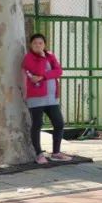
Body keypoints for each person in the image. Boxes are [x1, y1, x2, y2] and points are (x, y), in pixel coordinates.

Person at [23, 33, 71, 165]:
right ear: (31, 45)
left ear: (44, 44)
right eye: (35, 43)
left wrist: (44, 76)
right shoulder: (28, 58)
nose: (38, 45)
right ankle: (39, 154)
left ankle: (56, 153)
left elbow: (58, 71)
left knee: (59, 123)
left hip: (51, 98)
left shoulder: (50, 55)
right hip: (36, 98)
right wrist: (42, 58)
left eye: (40, 43)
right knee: (37, 124)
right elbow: (37, 71)